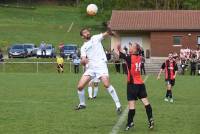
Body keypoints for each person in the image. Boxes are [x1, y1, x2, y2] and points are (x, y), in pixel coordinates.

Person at [75, 28, 121, 114]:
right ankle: (82, 104)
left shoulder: (96, 38)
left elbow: (106, 33)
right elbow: (83, 59)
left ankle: (118, 105)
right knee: (80, 87)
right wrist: (83, 61)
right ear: (82, 36)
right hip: (91, 68)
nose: (87, 33)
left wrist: (110, 29)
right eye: (85, 32)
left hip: (101, 65)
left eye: (87, 31)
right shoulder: (83, 47)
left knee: (106, 84)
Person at [115, 42, 154, 130]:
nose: (130, 47)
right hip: (140, 83)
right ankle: (150, 119)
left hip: (132, 84)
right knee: (146, 102)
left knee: (132, 105)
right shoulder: (140, 58)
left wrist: (118, 48)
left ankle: (130, 123)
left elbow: (119, 54)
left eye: (131, 47)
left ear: (135, 50)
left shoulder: (129, 58)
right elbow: (125, 55)